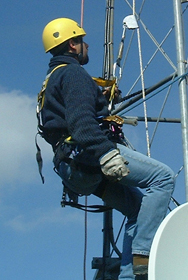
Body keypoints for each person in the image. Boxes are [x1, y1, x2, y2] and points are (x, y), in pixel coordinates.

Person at [37, 17, 175, 280]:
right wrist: (106, 153)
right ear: (72, 45)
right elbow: (81, 123)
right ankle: (143, 256)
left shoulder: (52, 79)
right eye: (82, 40)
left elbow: (59, 124)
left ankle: (130, 276)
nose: (87, 45)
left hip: (72, 166)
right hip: (88, 154)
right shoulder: (73, 73)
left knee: (136, 209)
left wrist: (99, 99)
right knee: (163, 178)